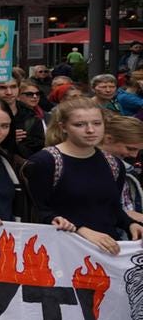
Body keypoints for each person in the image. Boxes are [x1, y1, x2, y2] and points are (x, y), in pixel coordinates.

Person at [24, 97, 143, 253]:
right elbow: (38, 211)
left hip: (106, 250)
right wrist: (81, 229)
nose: (90, 130)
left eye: (97, 123)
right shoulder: (45, 162)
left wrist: (129, 224)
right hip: (62, 252)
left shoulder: (113, 163)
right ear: (63, 127)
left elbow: (112, 208)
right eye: (79, 125)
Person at [100, 114, 143, 223]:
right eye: (130, 148)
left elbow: (127, 205)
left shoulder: (121, 166)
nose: (134, 155)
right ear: (108, 139)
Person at [0, 78, 44, 159]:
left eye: (13, 87)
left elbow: (37, 152)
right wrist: (4, 139)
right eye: (2, 88)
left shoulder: (31, 117)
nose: (9, 92)